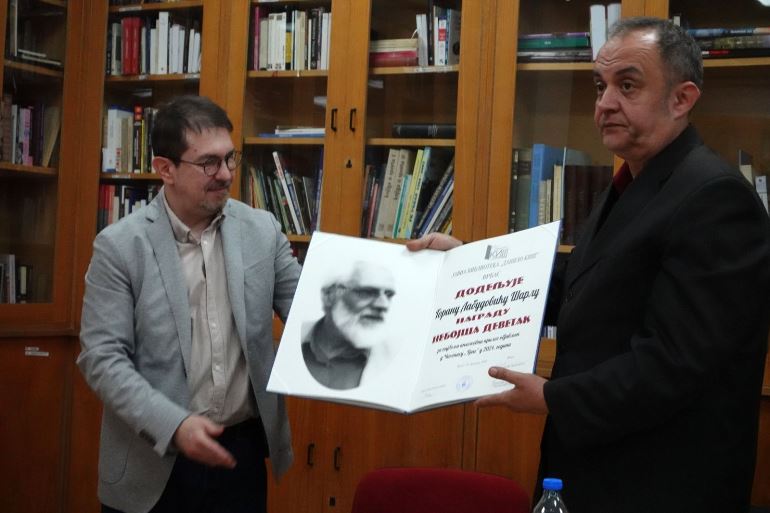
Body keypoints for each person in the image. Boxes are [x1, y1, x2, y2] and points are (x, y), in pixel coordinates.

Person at [408, 17, 770, 513]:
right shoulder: (634, 182)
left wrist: (553, 398)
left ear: (682, 99)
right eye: (601, 86)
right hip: (595, 470)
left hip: (658, 484)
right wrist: (469, 263)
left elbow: (673, 363)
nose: (605, 103)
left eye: (628, 86)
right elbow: (587, 289)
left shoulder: (716, 198)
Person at [78, 95, 301, 513]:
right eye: (209, 163)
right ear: (166, 169)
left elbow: (312, 310)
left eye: (230, 158)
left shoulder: (262, 230)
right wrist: (175, 425)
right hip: (152, 457)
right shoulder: (121, 247)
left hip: (239, 456)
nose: (226, 174)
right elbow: (102, 359)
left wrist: (418, 275)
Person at [302, 261, 396, 390]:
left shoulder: (394, 358)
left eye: (388, 295)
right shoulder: (294, 338)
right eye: (367, 292)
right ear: (329, 295)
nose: (384, 305)